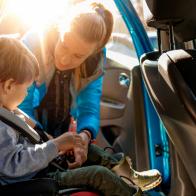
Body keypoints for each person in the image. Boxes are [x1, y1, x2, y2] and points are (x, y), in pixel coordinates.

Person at [18, 1, 162, 191]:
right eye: (64, 45)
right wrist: (52, 143)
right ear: (60, 28)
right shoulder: (34, 44)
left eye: (78, 55)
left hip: (58, 128)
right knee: (88, 167)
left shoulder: (94, 61)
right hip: (30, 134)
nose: (65, 58)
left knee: (88, 148)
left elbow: (89, 108)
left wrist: (84, 137)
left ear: (92, 53)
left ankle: (126, 176)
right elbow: (21, 109)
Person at [0, 36, 143, 195]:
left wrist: (51, 141)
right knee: (98, 175)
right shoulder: (1, 126)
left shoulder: (6, 110)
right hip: (35, 181)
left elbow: (27, 129)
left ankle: (128, 177)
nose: (27, 92)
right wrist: (55, 146)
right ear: (8, 86)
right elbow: (13, 166)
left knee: (88, 148)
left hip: (39, 167)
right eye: (26, 87)